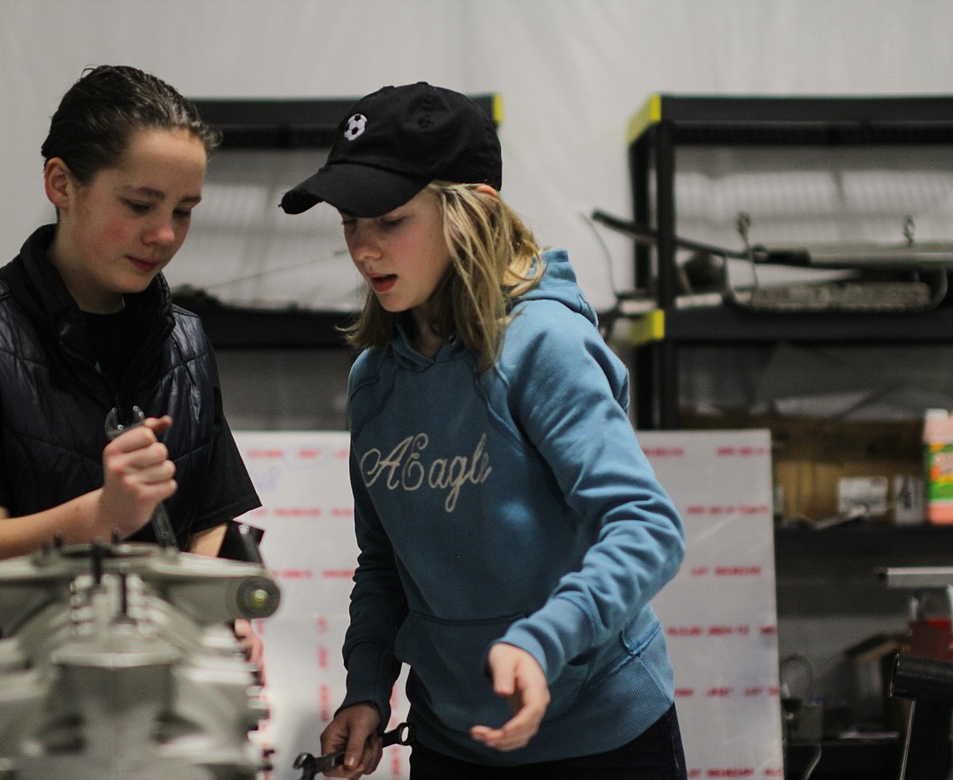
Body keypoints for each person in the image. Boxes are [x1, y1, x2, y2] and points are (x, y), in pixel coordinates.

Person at [279, 82, 688, 780]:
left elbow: (646, 527)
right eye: (350, 221)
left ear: (475, 210)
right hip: (451, 740)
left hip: (598, 740)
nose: (364, 249)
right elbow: (385, 566)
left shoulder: (543, 345)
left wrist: (544, 640)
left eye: (391, 220)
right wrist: (369, 689)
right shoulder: (374, 380)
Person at [0, 65, 263, 779]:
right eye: (140, 203)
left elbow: (216, 515)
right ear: (61, 183)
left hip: (158, 727)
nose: (163, 234)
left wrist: (211, 610)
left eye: (184, 210)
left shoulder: (183, 339)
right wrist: (104, 514)